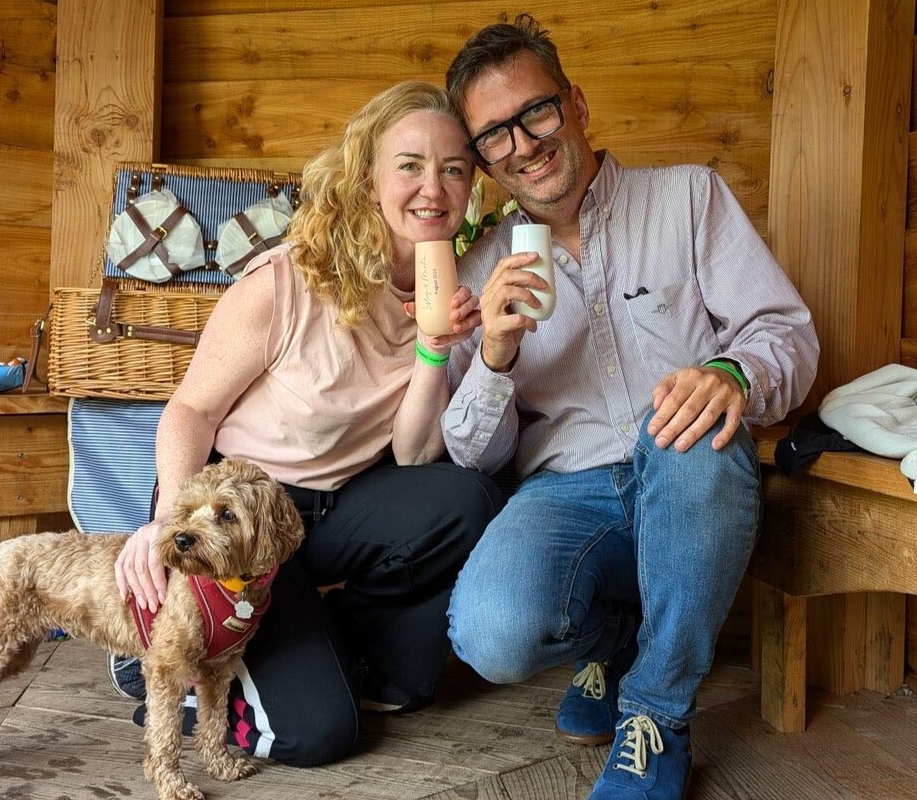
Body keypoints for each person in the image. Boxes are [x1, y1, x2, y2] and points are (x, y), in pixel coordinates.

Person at [441, 16, 819, 799]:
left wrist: (734, 374)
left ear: (576, 104)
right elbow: (472, 454)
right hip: (565, 492)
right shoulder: (481, 266)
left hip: (688, 475)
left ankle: (655, 715)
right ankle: (616, 644)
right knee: (490, 635)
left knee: (684, 425)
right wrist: (496, 356)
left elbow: (784, 332)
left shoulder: (687, 198)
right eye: (494, 137)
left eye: (536, 113)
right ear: (481, 159)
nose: (523, 145)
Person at [110, 80, 503, 768]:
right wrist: (172, 521)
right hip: (243, 512)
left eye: (454, 168)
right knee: (320, 733)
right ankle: (170, 661)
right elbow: (191, 410)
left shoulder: (452, 285)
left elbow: (414, 457)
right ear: (367, 176)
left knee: (466, 499)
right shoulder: (288, 279)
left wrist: (434, 349)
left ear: (471, 185)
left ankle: (347, 655)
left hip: (337, 508)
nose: (432, 187)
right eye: (409, 164)